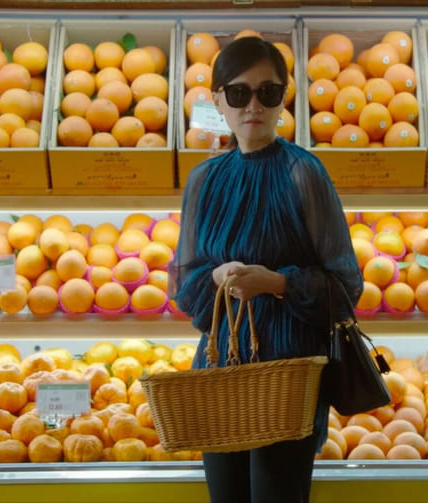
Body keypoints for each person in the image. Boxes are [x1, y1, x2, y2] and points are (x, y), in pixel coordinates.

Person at [169, 36, 362, 503]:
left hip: (289, 374)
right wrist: (216, 277)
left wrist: (276, 283)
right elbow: (187, 286)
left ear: (284, 98)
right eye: (238, 93)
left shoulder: (304, 173)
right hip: (221, 368)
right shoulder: (203, 180)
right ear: (217, 99)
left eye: (268, 92)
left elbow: (345, 285)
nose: (253, 106)